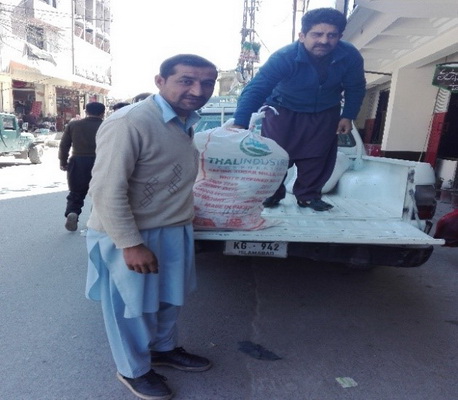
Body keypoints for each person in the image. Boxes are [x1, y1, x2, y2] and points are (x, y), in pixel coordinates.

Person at [85, 54, 218, 400]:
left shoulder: (185, 120)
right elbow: (106, 189)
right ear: (160, 82)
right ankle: (133, 370)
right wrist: (130, 244)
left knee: (168, 299)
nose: (197, 90)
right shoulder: (129, 122)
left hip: (173, 228)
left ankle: (163, 350)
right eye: (186, 80)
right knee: (132, 308)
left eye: (206, 83)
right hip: (132, 232)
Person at [233, 7, 366, 211]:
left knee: (318, 157)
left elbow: (355, 87)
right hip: (283, 111)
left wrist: (348, 115)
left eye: (331, 35)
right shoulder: (284, 57)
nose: (324, 41)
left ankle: (308, 196)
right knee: (275, 156)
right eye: (317, 34)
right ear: (302, 35)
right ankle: (271, 194)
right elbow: (257, 88)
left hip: (325, 112)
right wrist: (239, 123)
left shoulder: (349, 55)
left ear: (340, 37)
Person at [58, 102, 105, 231]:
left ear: (86, 112)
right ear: (102, 113)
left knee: (76, 192)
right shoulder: (106, 125)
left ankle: (73, 212)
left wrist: (63, 162)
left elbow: (64, 145)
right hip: (101, 162)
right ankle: (95, 220)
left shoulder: (73, 125)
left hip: (78, 161)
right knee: (100, 193)